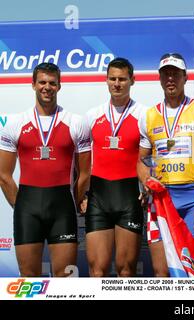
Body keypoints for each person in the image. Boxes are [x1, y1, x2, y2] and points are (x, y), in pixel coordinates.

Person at [0, 62, 91, 277]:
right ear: (33, 85)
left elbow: (85, 173)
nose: (46, 87)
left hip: (63, 209)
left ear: (59, 86)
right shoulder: (15, 123)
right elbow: (4, 175)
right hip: (27, 208)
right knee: (29, 281)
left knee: (65, 279)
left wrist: (71, 202)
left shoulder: (76, 122)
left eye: (52, 83)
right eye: (42, 82)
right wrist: (21, 205)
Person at [137, 53, 194, 277]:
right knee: (161, 272)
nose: (171, 78)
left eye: (175, 73)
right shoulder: (149, 116)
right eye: (166, 74)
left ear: (185, 77)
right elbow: (141, 160)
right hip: (161, 201)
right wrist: (147, 179)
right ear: (160, 78)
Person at [85, 57, 147, 277]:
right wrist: (82, 194)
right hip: (98, 198)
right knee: (97, 270)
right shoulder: (92, 116)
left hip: (129, 198)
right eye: (113, 79)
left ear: (132, 80)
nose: (117, 83)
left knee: (126, 269)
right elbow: (81, 160)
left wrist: (147, 186)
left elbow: (152, 156)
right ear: (106, 81)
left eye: (122, 79)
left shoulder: (144, 115)